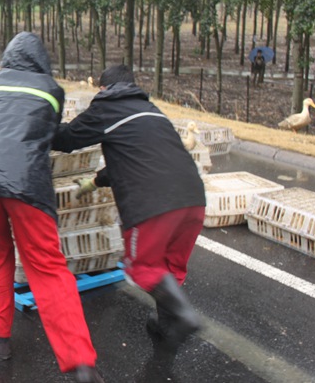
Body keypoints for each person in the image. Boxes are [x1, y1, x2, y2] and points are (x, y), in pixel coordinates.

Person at [0, 32, 104, 383]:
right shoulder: (51, 90)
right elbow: (50, 133)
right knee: (47, 269)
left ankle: (0, 337)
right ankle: (81, 363)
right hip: (27, 184)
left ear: (8, 56)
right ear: (41, 59)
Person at [52, 64, 206, 349]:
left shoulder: (107, 108)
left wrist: (36, 123)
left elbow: (66, 139)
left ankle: (184, 314)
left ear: (103, 89)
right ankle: (165, 325)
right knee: (169, 267)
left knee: (141, 265)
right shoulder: (153, 114)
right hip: (194, 201)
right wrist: (95, 181)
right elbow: (137, 159)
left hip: (153, 206)